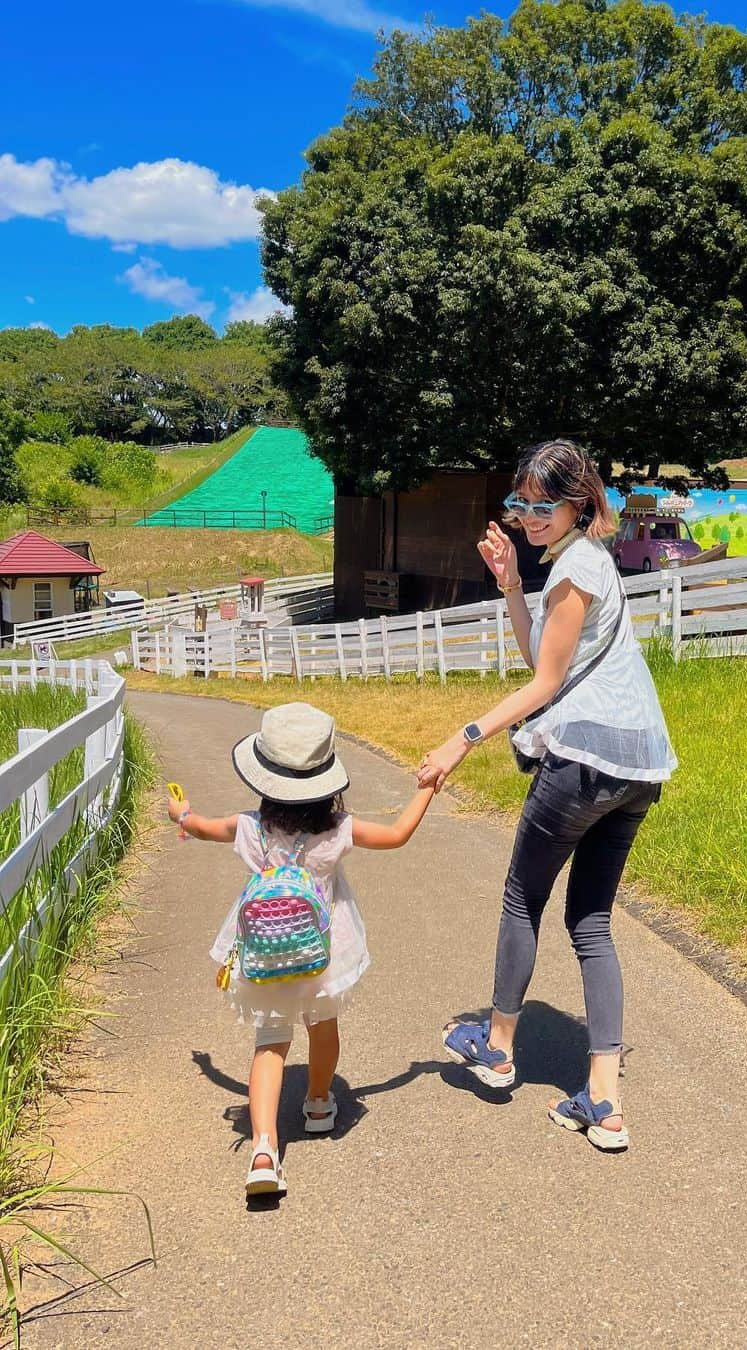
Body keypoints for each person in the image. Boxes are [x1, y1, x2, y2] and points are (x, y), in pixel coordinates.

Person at [419, 438, 676, 1152]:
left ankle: (498, 1049)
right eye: (519, 504)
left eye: (544, 505)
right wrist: (508, 587)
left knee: (521, 898)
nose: (529, 517)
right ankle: (604, 1102)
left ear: (580, 504)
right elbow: (550, 661)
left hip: (584, 759)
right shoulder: (588, 564)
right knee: (590, 922)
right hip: (637, 767)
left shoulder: (576, 569)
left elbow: (542, 687)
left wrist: (459, 739)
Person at [168, 702, 434, 1197]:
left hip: (265, 955)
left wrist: (181, 814)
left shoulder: (249, 828)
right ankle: (316, 1102)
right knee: (323, 1028)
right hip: (322, 953)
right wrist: (425, 789)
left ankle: (264, 1150)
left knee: (270, 1042)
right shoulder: (339, 831)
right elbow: (398, 834)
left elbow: (200, 826)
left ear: (263, 778)